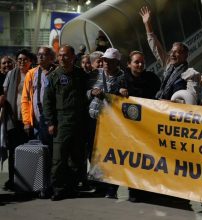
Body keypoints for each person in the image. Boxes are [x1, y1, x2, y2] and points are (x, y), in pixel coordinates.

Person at [112, 50, 161, 202]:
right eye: (136, 62)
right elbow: (110, 94)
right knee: (133, 160)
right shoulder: (121, 80)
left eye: (142, 62)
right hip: (128, 128)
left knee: (147, 159)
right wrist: (118, 91)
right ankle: (133, 191)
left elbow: (159, 95)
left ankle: (148, 190)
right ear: (129, 64)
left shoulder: (151, 79)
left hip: (148, 127)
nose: (140, 65)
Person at [43, 45, 89, 201]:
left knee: (76, 158)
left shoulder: (81, 75)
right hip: (61, 122)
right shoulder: (53, 77)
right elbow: (47, 102)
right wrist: (50, 122)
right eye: (60, 55)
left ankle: (72, 187)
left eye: (66, 55)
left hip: (79, 122)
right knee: (59, 159)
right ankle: (58, 189)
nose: (62, 58)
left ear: (73, 56)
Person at [88, 48, 124, 199]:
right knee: (94, 155)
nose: (106, 63)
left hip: (111, 124)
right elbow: (85, 92)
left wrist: (110, 94)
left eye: (110, 61)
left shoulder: (122, 78)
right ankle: (99, 186)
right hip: (93, 120)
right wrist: (90, 93)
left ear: (117, 62)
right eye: (104, 60)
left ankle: (111, 189)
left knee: (110, 157)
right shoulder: (95, 74)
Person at [139, 6, 195, 100]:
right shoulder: (169, 65)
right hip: (161, 104)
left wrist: (170, 102)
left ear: (185, 55)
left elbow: (190, 98)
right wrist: (147, 23)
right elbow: (155, 46)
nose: (172, 54)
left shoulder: (189, 74)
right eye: (171, 51)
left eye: (177, 52)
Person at [1, 49, 34, 191]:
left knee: (27, 150)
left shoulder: (34, 74)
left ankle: (27, 180)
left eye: (25, 59)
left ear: (30, 62)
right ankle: (13, 179)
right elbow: (5, 93)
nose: (21, 62)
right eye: (19, 59)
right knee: (13, 151)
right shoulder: (11, 74)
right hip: (13, 117)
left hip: (29, 118)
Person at [21, 46, 56, 145]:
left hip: (54, 119)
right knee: (40, 153)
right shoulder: (31, 74)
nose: (40, 57)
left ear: (51, 57)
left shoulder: (57, 72)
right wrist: (27, 122)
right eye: (39, 54)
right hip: (37, 120)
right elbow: (25, 99)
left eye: (43, 54)